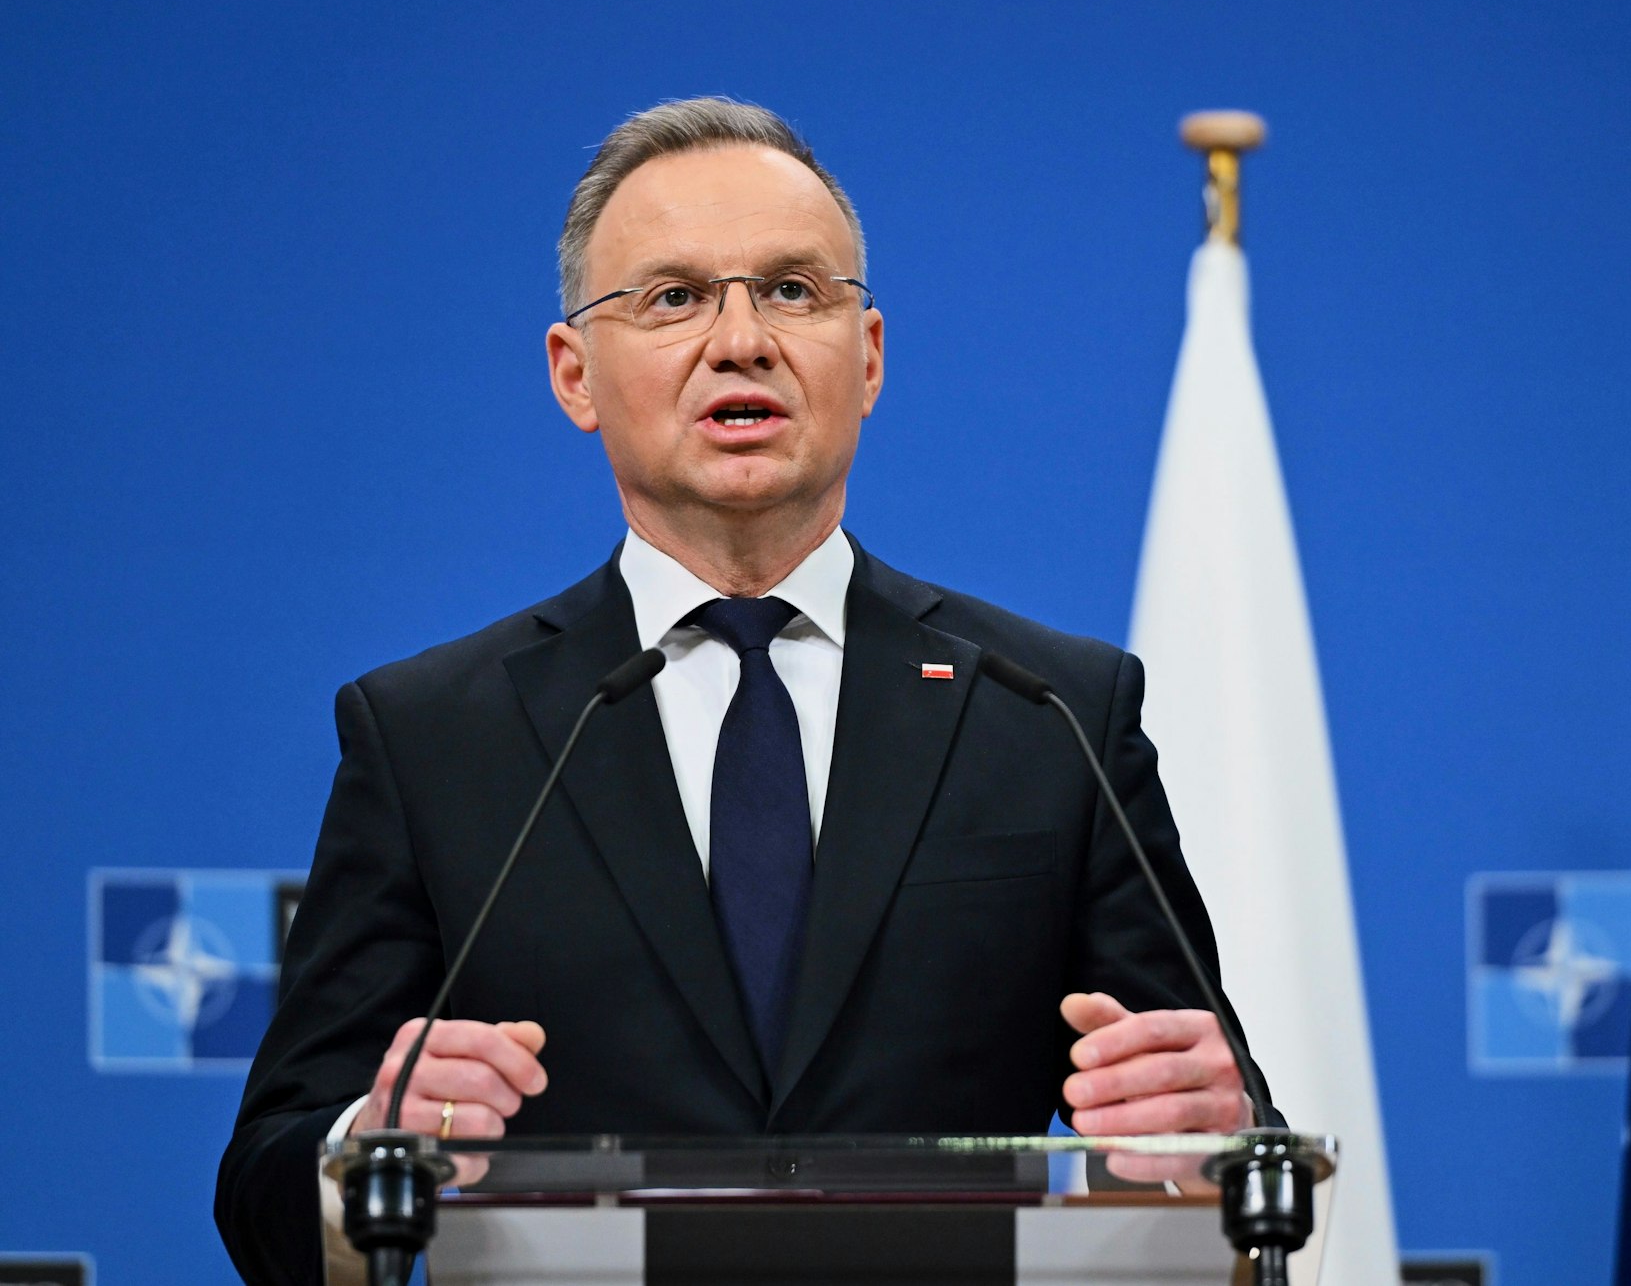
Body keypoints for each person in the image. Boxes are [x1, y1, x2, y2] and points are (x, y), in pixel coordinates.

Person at [215, 98, 1267, 1284]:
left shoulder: (1051, 710)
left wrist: (1202, 1144)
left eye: (792, 291)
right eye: (672, 298)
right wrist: (370, 1146)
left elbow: (1225, 1155)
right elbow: (264, 1188)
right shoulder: (430, 735)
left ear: (865, 358)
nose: (740, 340)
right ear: (575, 374)